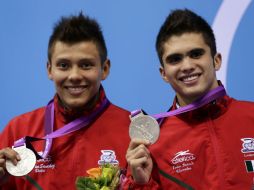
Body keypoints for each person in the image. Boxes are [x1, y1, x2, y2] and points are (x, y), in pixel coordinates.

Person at [124, 9, 254, 189]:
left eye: (196, 54)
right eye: (175, 59)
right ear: (164, 74)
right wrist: (140, 184)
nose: (187, 66)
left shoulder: (251, 116)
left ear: (216, 60)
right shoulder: (151, 143)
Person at [0, 13, 130, 189]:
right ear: (49, 69)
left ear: (104, 69)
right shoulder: (18, 131)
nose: (74, 76)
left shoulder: (132, 131)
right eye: (63, 65)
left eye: (86, 65)